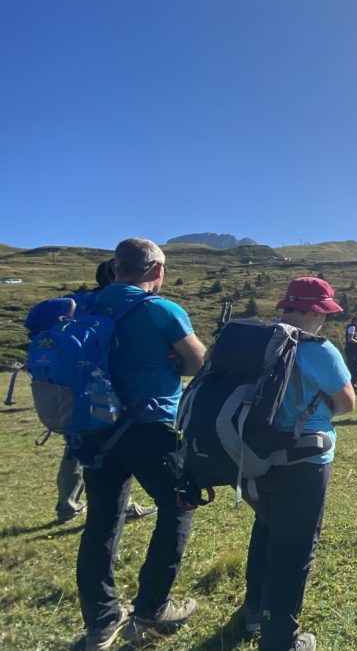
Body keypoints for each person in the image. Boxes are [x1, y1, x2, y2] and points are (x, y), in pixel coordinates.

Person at [74, 239, 207, 650]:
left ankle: (101, 619)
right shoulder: (162, 311)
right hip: (150, 425)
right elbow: (197, 361)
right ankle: (151, 609)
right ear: (157, 271)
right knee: (178, 505)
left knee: (102, 519)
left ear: (115, 269)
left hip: (95, 426)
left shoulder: (85, 306)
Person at [243, 276, 356, 651]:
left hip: (256, 456)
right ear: (311, 311)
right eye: (323, 313)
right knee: (295, 549)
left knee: (265, 530)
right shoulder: (320, 351)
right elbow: (346, 403)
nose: (324, 321)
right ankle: (281, 641)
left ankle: (254, 611)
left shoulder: (258, 342)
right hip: (305, 459)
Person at [25, 261, 156, 526]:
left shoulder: (75, 302)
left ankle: (68, 505)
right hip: (105, 387)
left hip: (68, 387)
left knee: (75, 447)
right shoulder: (117, 305)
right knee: (113, 448)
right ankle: (120, 504)